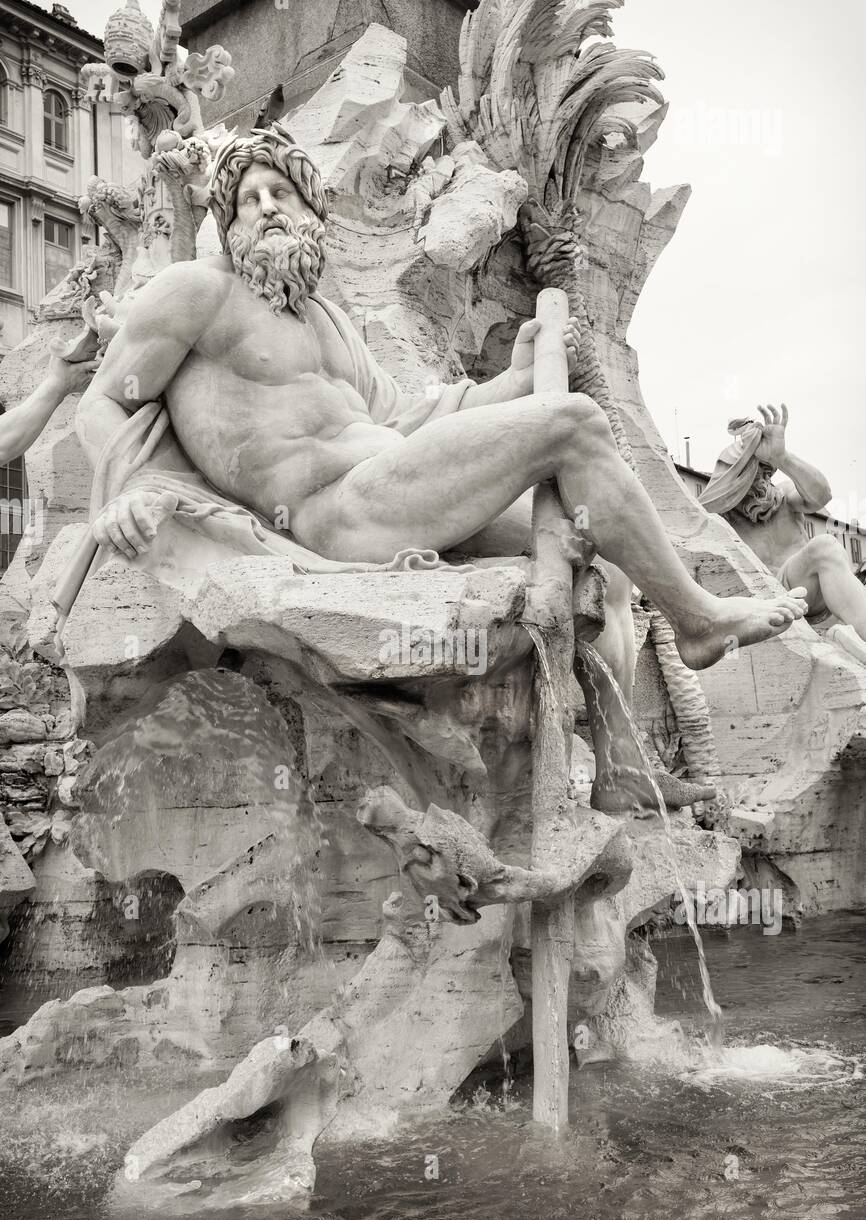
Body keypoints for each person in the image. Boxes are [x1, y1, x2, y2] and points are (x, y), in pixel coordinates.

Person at [75, 122, 807, 809]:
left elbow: (406, 421)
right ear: (227, 225)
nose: (266, 209)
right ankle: (699, 621)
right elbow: (104, 401)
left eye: (281, 193)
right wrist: (130, 487)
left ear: (310, 208)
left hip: (394, 490)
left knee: (608, 562)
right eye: (247, 200)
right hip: (331, 515)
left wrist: (514, 382)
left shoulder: (330, 323)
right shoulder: (198, 294)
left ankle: (617, 765)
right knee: (578, 426)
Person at [700, 405, 866, 664]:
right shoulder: (724, 521)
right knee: (824, 547)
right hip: (770, 600)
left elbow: (822, 495)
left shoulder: (785, 497)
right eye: (754, 477)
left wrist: (782, 457)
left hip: (814, 590)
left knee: (825, 547)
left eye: (766, 474)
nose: (763, 482)